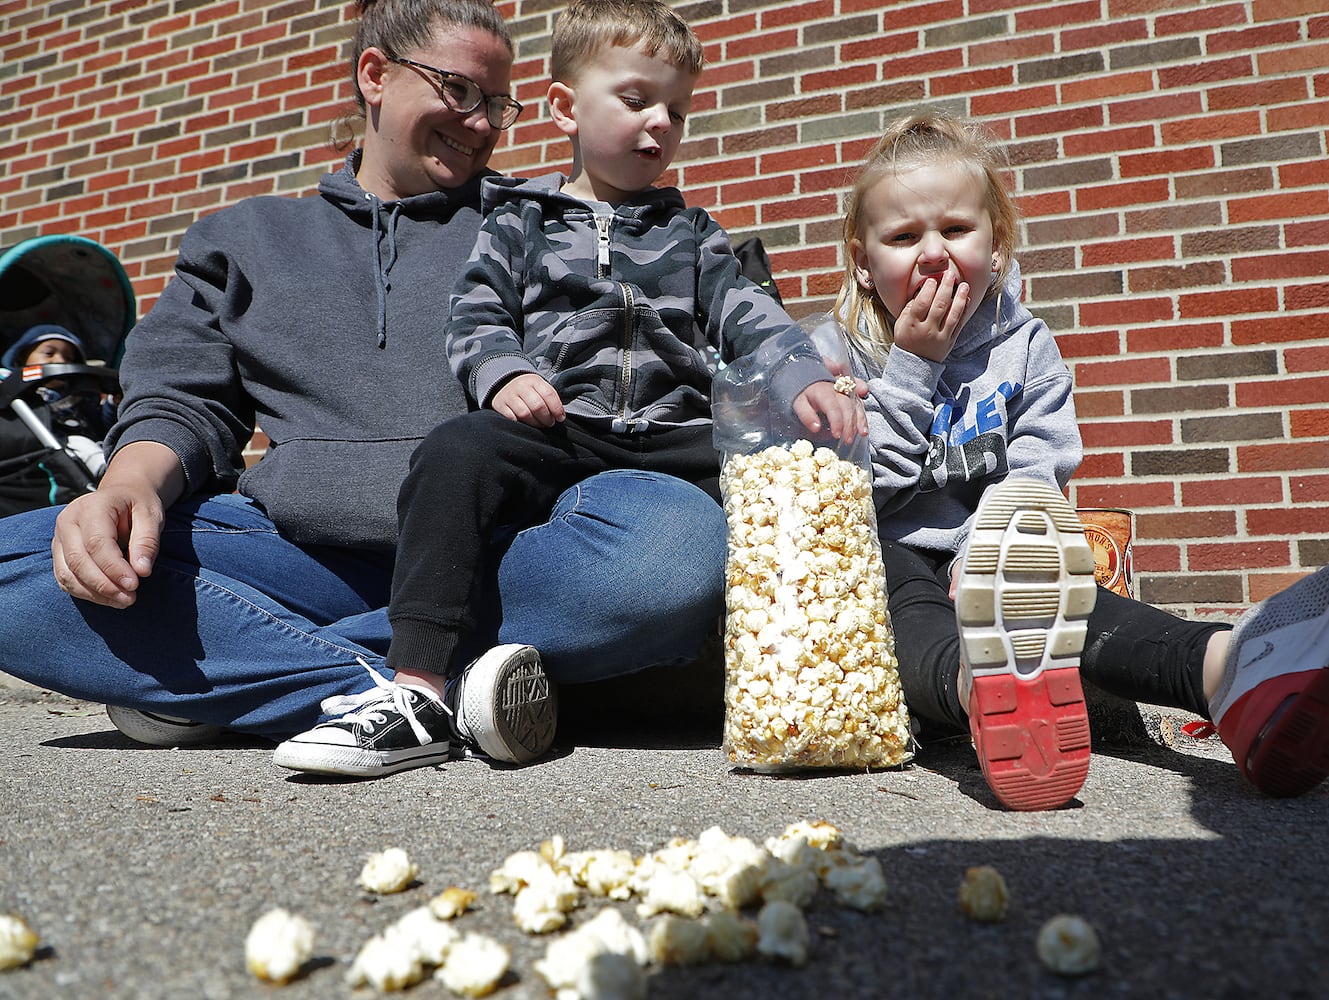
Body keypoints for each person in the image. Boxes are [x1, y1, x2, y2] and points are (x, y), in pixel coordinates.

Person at [0, 0, 729, 773]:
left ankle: (234, 679)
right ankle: (435, 691)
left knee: (669, 550)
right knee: (20, 566)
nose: (481, 123)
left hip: (515, 553)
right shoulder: (243, 238)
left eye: (497, 104)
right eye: (459, 91)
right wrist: (126, 485)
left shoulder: (552, 219)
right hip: (296, 556)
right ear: (374, 75)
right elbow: (184, 396)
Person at [272, 0, 866, 777]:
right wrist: (505, 374)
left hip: (671, 434)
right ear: (563, 108)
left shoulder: (693, 234)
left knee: (783, 479)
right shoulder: (521, 218)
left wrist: (801, 381)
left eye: (676, 111)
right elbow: (476, 315)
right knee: (456, 452)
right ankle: (414, 682)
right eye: (635, 100)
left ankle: (806, 673)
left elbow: (754, 321)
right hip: (558, 423)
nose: (659, 124)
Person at [820, 110, 1329, 811]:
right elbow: (850, 497)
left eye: (955, 230)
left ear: (995, 246)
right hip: (891, 549)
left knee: (1078, 609)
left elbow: (1038, 466)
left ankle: (1231, 672)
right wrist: (911, 369)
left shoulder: (1026, 347)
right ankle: (987, 694)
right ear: (862, 261)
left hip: (995, 560)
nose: (932, 253)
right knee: (899, 605)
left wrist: (995, 545)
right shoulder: (835, 353)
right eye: (903, 237)